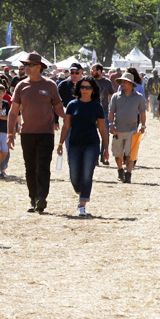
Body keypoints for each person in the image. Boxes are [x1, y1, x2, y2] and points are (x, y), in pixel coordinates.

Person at [7, 52, 65, 214]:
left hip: (46, 133)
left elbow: (59, 107)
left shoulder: (50, 85)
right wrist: (10, 134)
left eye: (30, 65)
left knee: (43, 166)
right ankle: (33, 198)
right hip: (27, 133)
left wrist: (69, 116)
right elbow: (13, 112)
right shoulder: (21, 86)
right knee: (30, 167)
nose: (27, 67)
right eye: (26, 65)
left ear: (39, 67)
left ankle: (41, 198)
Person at [57, 75, 108, 216]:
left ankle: (82, 205)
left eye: (88, 87)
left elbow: (103, 128)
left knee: (87, 174)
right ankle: (82, 191)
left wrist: (106, 147)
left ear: (93, 90)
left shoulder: (97, 106)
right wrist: (60, 143)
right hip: (74, 143)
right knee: (74, 175)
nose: (84, 90)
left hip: (91, 144)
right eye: (82, 87)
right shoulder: (72, 105)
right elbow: (66, 126)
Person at [108, 72, 147, 183]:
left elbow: (143, 112)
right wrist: (110, 124)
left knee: (130, 154)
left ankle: (128, 174)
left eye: (125, 82)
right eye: (121, 82)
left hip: (132, 130)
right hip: (117, 129)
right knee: (117, 154)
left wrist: (143, 125)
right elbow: (111, 112)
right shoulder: (115, 96)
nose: (122, 84)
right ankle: (120, 170)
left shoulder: (138, 97)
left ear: (131, 84)